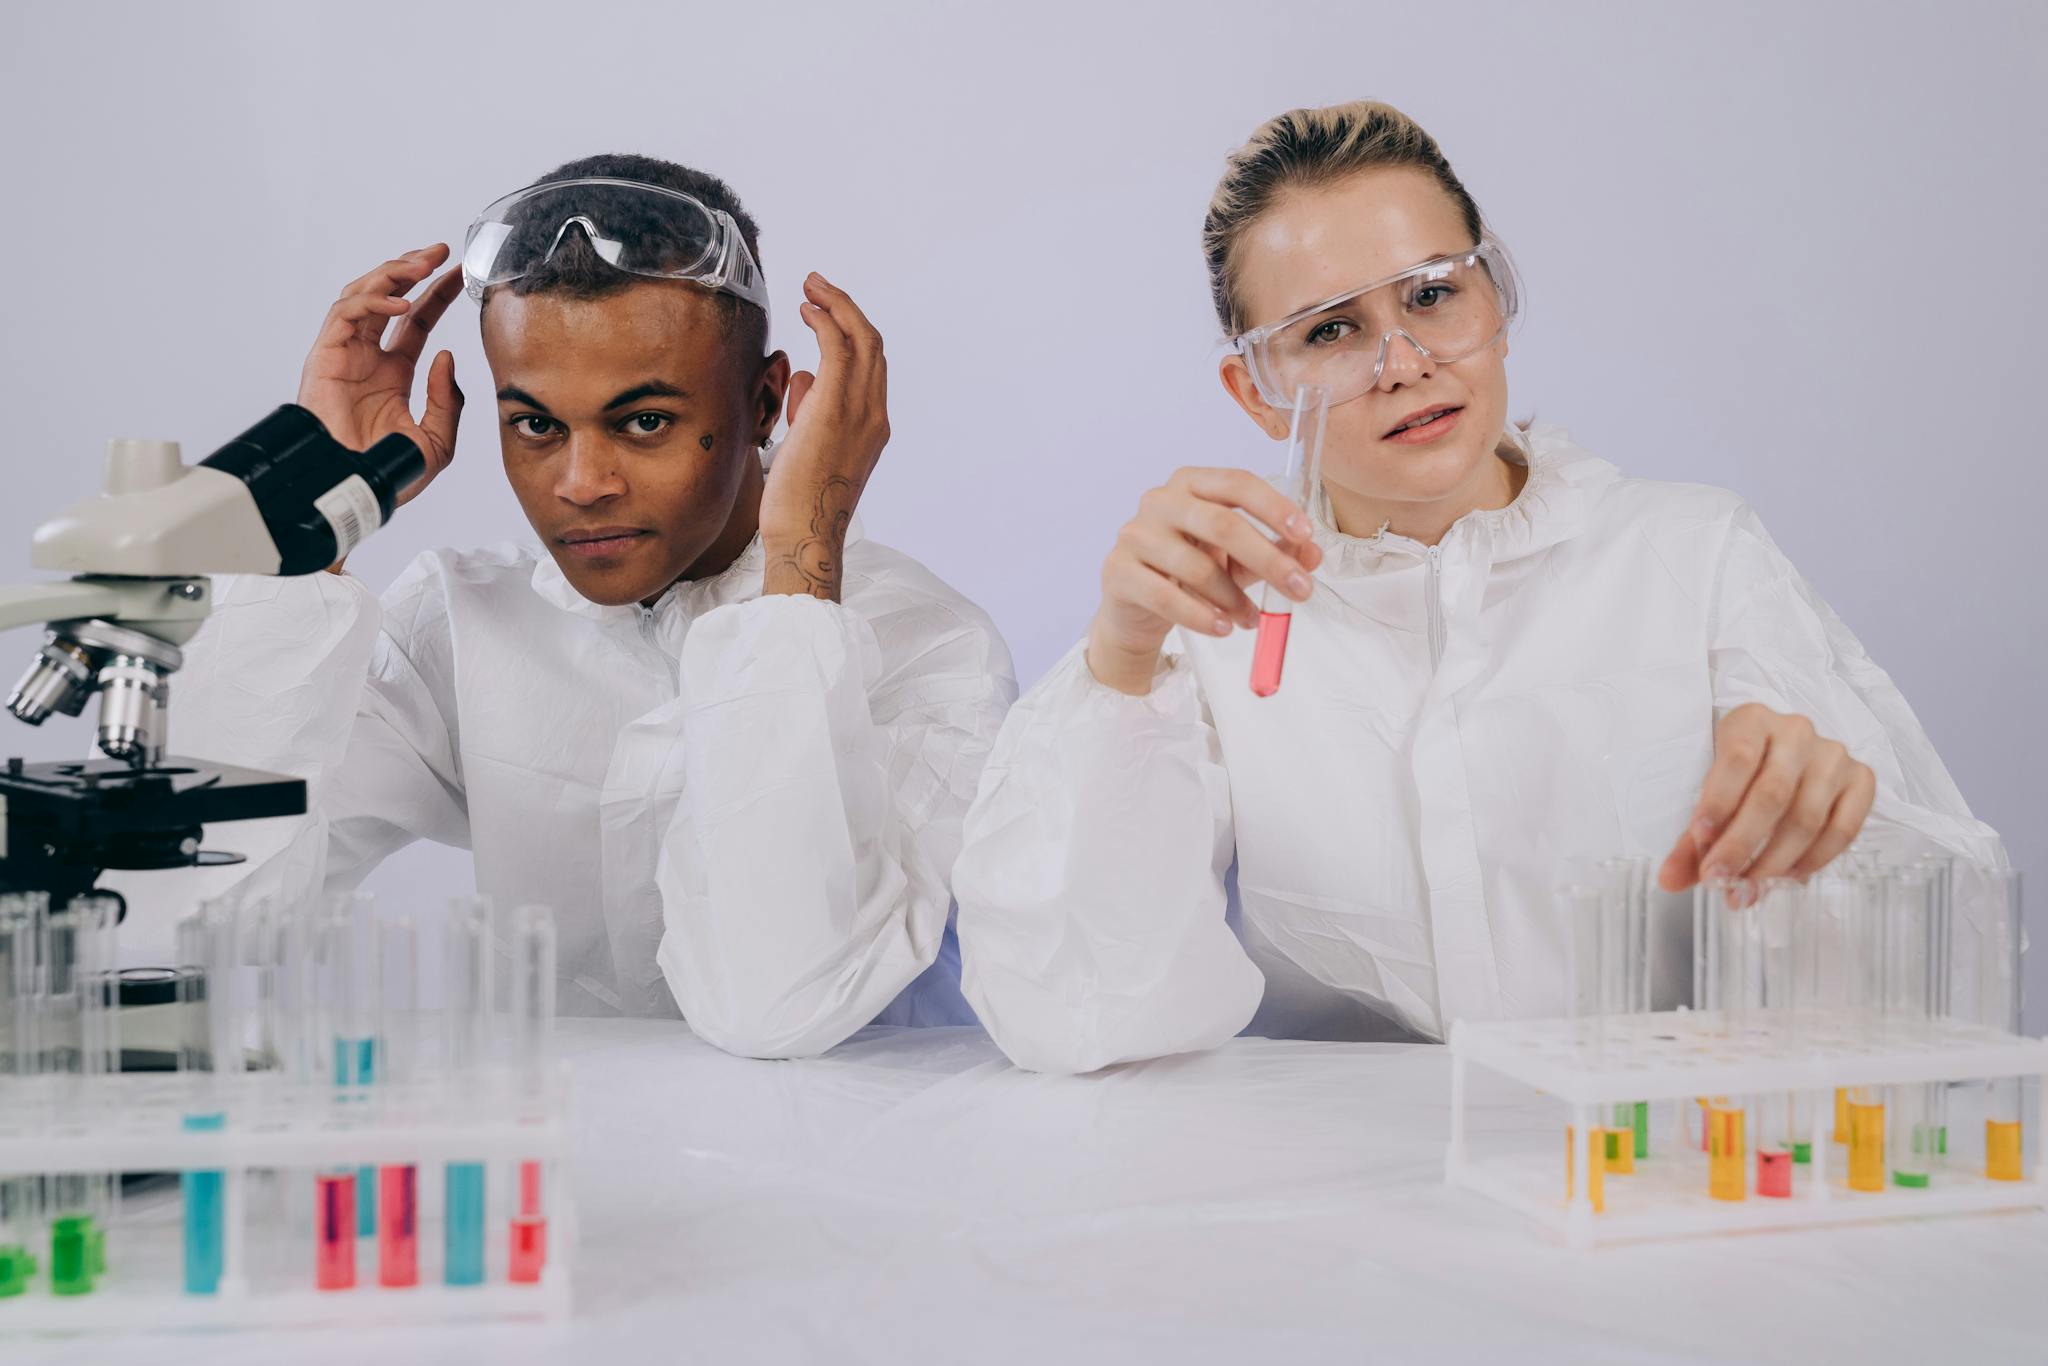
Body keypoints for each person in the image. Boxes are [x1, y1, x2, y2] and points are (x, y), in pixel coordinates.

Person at [952, 100, 2004, 1074]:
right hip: (1346, 1212)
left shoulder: (1691, 556)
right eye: (1328, 330)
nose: (1402, 362)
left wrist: (1823, 830)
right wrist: (1122, 659)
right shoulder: (1220, 625)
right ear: (1256, 391)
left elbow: (1921, 988)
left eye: (1430, 294)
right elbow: (1072, 1012)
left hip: (1642, 1172)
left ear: (1492, 294)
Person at [116, 154, 1016, 1058]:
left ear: (768, 403)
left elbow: (779, 1002)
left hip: (861, 1181)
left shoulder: (921, 645)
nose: (581, 485)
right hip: (572, 1180)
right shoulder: (463, 625)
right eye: (537, 425)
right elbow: (183, 923)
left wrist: (799, 569)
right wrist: (305, 525)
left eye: (644, 421)